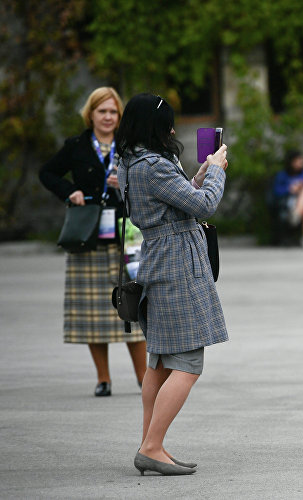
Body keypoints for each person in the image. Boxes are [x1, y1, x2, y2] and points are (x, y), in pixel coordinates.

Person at [116, 93, 229, 475]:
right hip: (177, 264)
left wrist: (195, 175)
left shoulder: (131, 162)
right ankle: (151, 446)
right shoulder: (154, 165)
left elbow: (176, 198)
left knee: (161, 361)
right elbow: (206, 205)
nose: (172, 129)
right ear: (156, 125)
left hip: (157, 260)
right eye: (167, 123)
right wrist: (216, 170)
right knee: (189, 363)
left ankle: (152, 443)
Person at [39, 87, 146, 397]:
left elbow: (151, 183)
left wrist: (124, 182)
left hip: (128, 234)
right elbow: (47, 173)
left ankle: (143, 378)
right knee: (93, 312)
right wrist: (68, 191)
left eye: (114, 112)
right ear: (91, 114)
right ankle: (103, 379)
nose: (109, 117)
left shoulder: (131, 147)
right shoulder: (76, 146)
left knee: (133, 305)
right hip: (88, 238)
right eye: (103, 111)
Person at [271, 150, 303, 251]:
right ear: (292, 162)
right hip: (288, 202)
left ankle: (296, 215)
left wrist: (301, 187)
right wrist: (290, 189)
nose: (301, 163)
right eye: (298, 161)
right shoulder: (283, 175)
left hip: (302, 204)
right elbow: (276, 191)